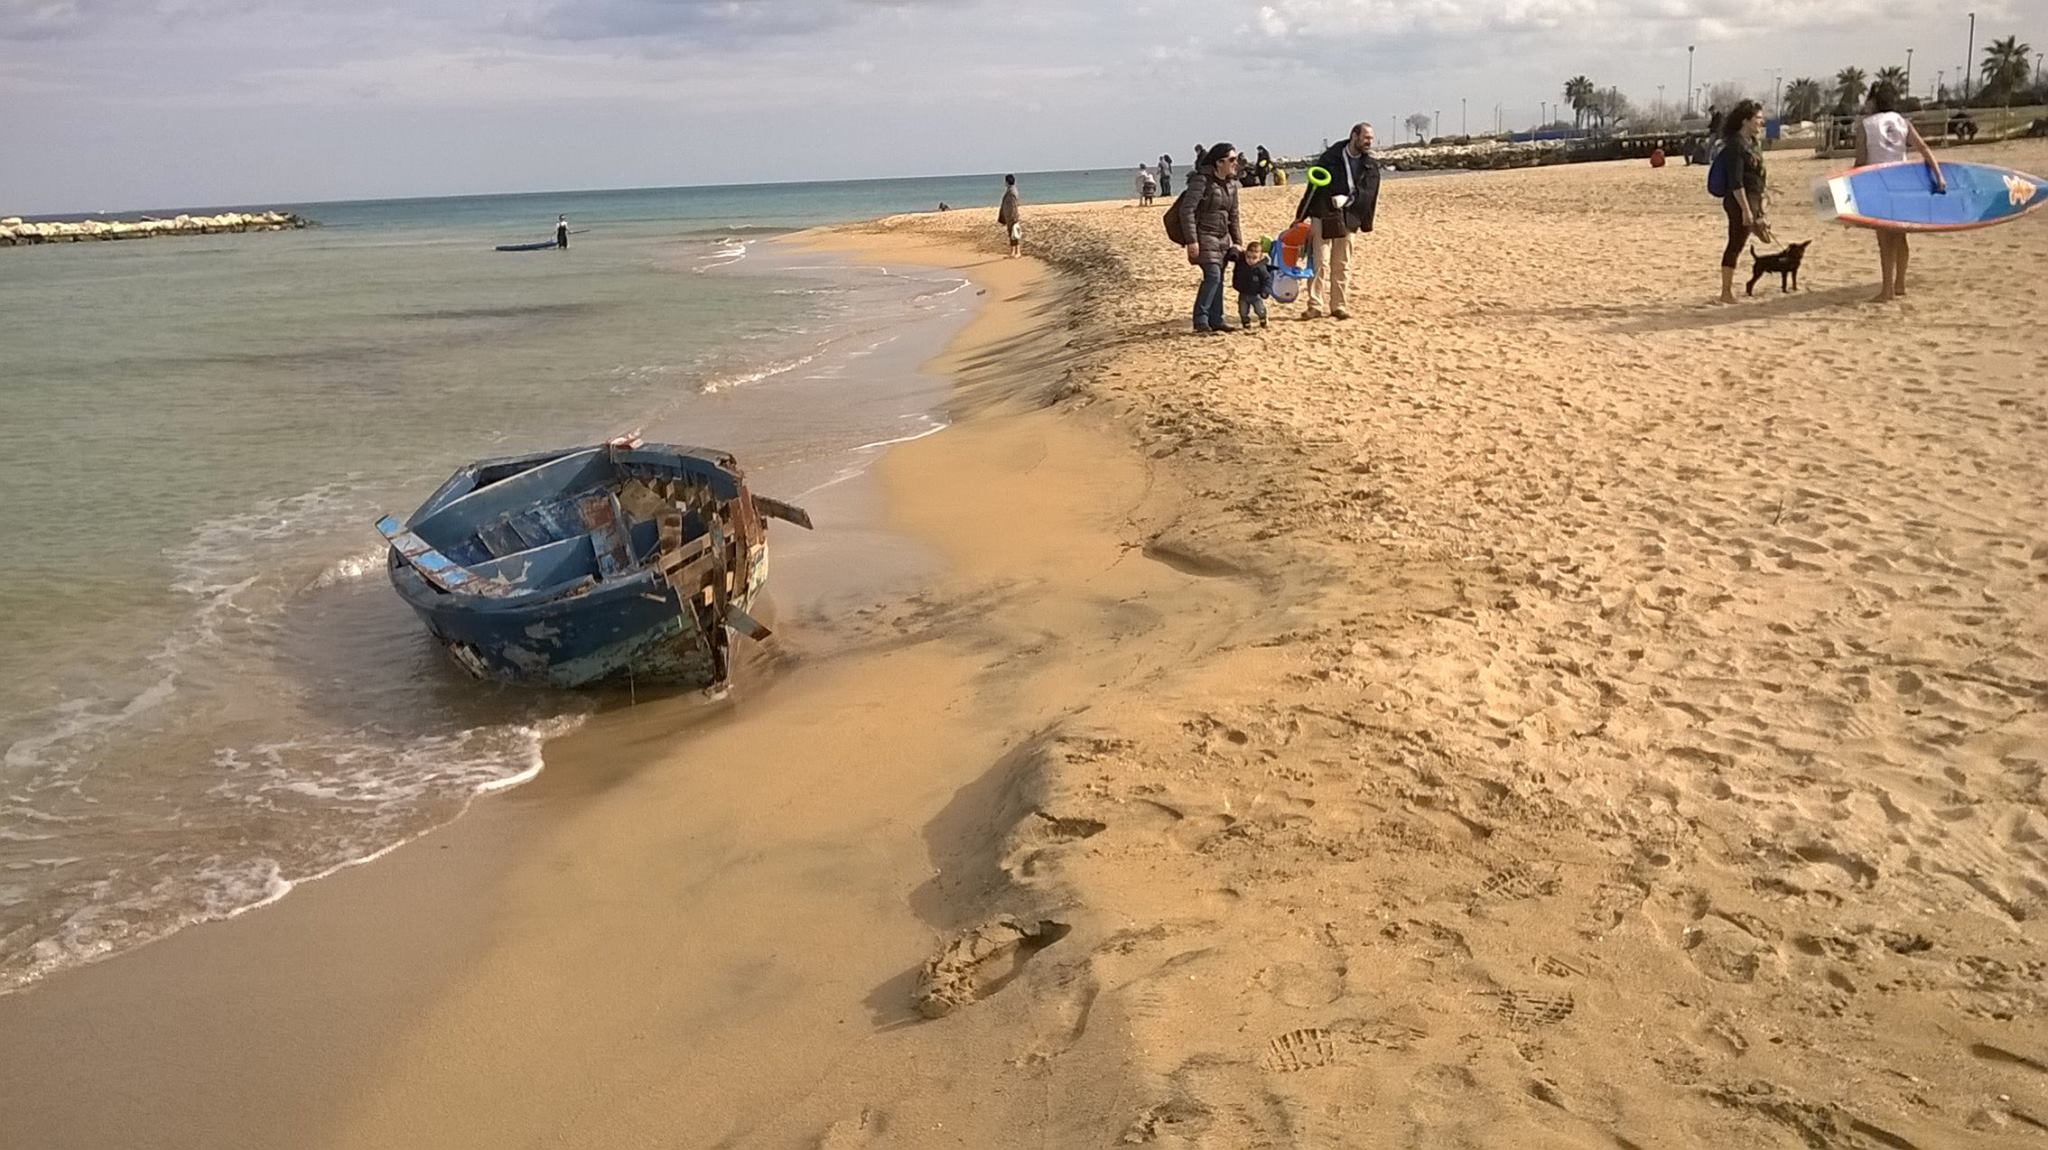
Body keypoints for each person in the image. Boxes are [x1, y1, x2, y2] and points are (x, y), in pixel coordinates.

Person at [1858, 82, 1944, 302]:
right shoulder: (1902, 122)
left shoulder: (1866, 125)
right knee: (1900, 236)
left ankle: (1886, 290)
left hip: (1879, 183)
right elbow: (1923, 148)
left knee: (1884, 239)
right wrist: (1939, 176)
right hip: (1902, 182)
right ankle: (1900, 284)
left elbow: (1860, 163)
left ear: (1874, 101)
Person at [1292, 122, 1382, 321]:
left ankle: (1338, 306)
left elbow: (1370, 195)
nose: (1369, 142)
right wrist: (1301, 216)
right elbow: (1313, 187)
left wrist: (1361, 217)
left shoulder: (1370, 166)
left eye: (1371, 138)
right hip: (1323, 213)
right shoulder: (1330, 158)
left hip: (1350, 217)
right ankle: (1315, 306)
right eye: (1366, 137)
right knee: (1319, 262)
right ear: (1354, 135)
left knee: (1342, 264)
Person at [1178, 143, 1244, 334]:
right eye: (1232, 159)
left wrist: (1237, 242)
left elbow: (1234, 215)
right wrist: (1192, 240)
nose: (1236, 163)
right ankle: (1200, 319)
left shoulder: (1232, 185)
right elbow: (1187, 210)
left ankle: (1217, 319)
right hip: (1204, 235)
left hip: (1223, 238)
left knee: (1219, 277)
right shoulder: (1201, 181)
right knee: (1213, 275)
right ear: (1219, 162)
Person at [1713, 100, 1765, 304]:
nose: (1761, 122)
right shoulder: (1736, 145)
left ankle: (1757, 225)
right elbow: (1736, 181)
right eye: (1757, 118)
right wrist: (1745, 210)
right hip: (1738, 200)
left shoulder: (1752, 143)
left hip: (1753, 198)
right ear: (1745, 121)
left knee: (1741, 240)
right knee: (1735, 243)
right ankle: (1725, 292)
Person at [1230, 238, 1272, 329]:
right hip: (1243, 293)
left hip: (1256, 294)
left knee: (1259, 309)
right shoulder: (1241, 265)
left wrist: (1265, 291)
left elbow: (1267, 279)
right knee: (1242, 311)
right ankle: (1246, 322)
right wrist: (1236, 285)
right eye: (1248, 257)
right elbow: (1236, 273)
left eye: (1254, 258)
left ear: (1260, 257)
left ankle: (1263, 318)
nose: (1251, 260)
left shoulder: (1261, 268)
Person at [997, 174, 1021, 259]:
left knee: (1015, 234)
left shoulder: (1012, 192)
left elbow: (1013, 205)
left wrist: (1013, 217)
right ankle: (1012, 252)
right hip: (1009, 216)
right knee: (1011, 234)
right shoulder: (1009, 190)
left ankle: (1018, 252)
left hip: (1012, 216)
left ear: (1007, 181)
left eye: (1005, 181)